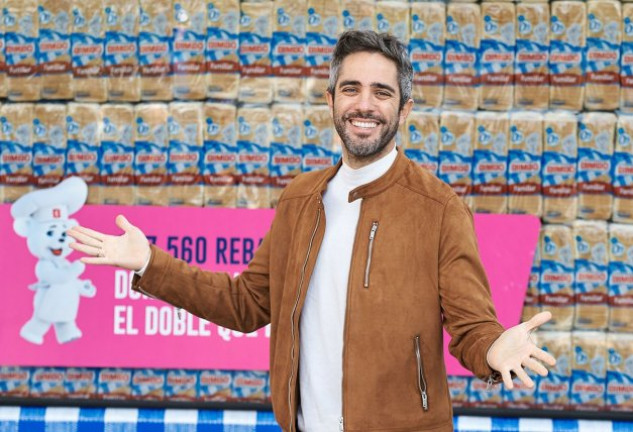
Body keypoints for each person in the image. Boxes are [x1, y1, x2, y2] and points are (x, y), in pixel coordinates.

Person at [68, 30, 556, 432]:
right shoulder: (300, 200)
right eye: (352, 89)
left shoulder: (439, 209)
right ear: (331, 101)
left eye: (382, 92)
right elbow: (245, 304)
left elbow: (472, 325)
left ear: (403, 110)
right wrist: (151, 263)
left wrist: (494, 349)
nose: (365, 105)